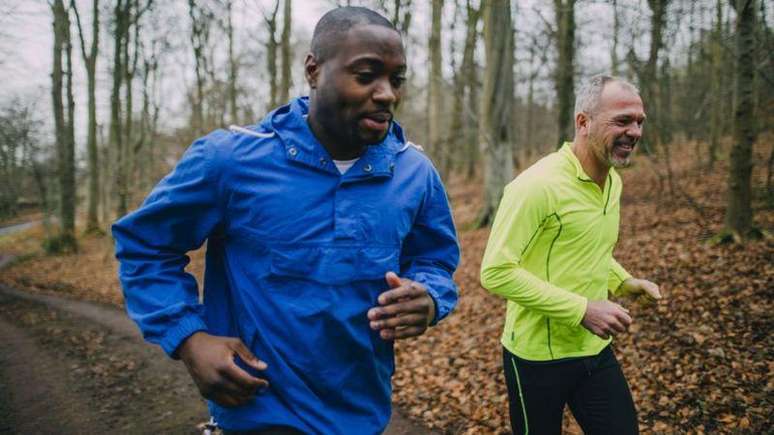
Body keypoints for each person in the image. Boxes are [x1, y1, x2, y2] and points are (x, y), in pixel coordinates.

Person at [112, 7, 459, 434]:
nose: (386, 94)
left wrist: (430, 298)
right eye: (366, 75)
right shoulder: (231, 160)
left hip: (362, 417)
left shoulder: (414, 172)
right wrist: (189, 338)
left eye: (396, 79)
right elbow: (145, 245)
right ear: (314, 70)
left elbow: (435, 261)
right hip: (257, 414)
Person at [480, 75, 662, 435]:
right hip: (535, 356)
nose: (635, 131)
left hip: (593, 349)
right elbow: (496, 271)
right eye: (623, 120)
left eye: (639, 121)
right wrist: (582, 309)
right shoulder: (536, 186)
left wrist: (624, 281)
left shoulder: (613, 181)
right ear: (584, 122)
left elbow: (590, 248)